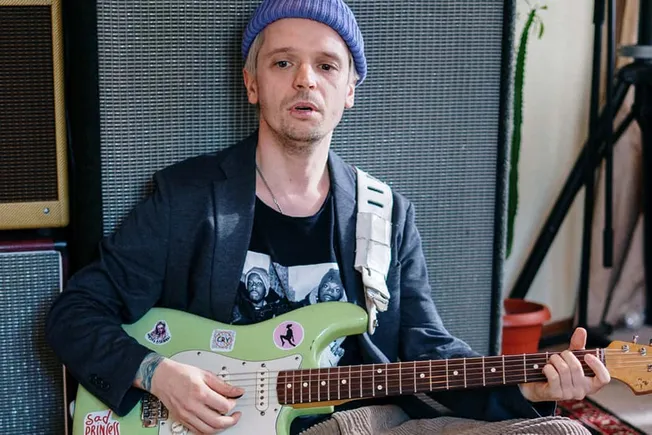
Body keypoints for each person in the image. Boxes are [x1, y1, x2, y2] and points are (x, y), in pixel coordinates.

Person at [45, 0, 611, 434]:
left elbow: (427, 350)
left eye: (326, 65)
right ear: (252, 83)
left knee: (562, 429)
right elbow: (75, 314)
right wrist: (158, 375)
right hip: (224, 425)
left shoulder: (385, 215)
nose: (304, 79)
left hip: (360, 423)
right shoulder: (186, 198)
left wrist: (529, 389)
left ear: (349, 91)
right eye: (283, 62)